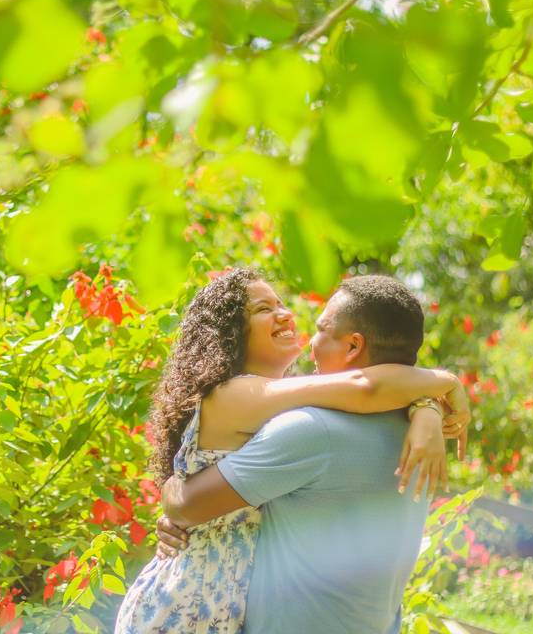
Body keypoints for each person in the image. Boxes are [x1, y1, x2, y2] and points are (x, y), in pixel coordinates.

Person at [114, 269, 469, 634]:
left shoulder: (297, 417)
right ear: (233, 331)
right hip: (187, 606)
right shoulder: (239, 396)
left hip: (217, 607)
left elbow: (365, 387)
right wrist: (439, 390)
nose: (285, 314)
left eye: (281, 303)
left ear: (352, 346)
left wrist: (426, 406)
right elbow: (364, 385)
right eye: (263, 308)